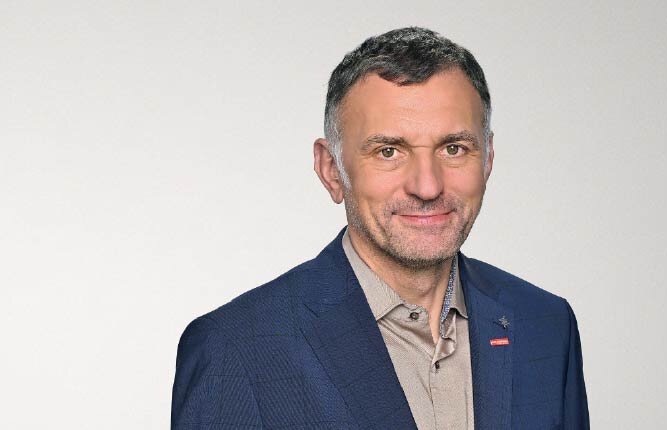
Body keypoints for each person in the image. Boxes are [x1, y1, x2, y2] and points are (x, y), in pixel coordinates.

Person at [171, 27, 589, 430]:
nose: (427, 186)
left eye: (453, 148)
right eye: (389, 151)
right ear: (331, 170)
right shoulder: (236, 349)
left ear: (488, 159)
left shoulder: (545, 324)